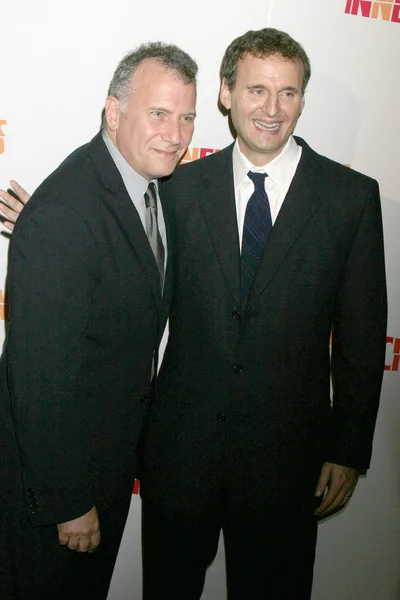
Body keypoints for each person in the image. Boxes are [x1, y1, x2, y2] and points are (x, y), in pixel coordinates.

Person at [1, 27, 387, 600]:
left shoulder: (350, 199)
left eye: (289, 93)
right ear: (228, 95)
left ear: (304, 99)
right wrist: (49, 226)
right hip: (178, 462)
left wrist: (348, 448)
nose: (272, 109)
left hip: (287, 465)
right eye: (257, 90)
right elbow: (118, 240)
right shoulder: (179, 185)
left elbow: (361, 338)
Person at [0, 42, 197, 599]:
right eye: (158, 114)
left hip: (103, 472)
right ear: (114, 113)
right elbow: (39, 380)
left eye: (187, 118)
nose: (176, 134)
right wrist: (68, 504)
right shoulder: (68, 213)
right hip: (60, 496)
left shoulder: (147, 189)